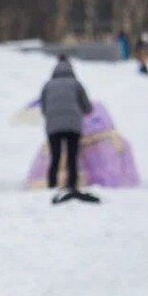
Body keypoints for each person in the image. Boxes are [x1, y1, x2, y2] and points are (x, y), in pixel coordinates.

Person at [39, 56, 96, 202]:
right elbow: (87, 107)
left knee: (56, 157)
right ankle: (71, 185)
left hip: (53, 126)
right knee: (72, 158)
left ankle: (52, 186)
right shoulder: (76, 84)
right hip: (73, 125)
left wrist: (52, 116)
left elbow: (43, 107)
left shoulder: (48, 85)